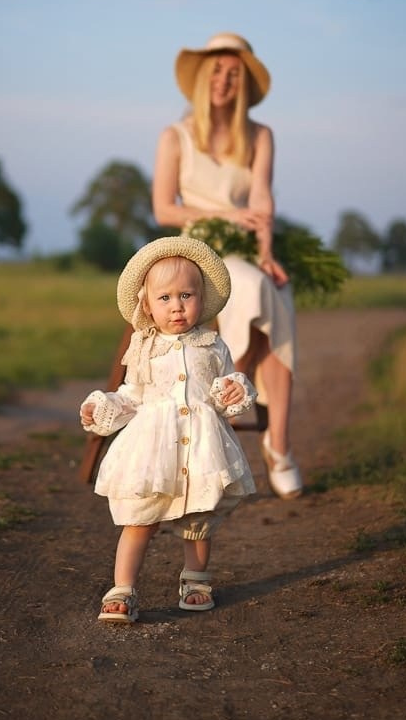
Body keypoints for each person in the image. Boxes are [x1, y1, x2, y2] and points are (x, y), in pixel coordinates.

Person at [152, 32, 303, 500]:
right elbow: (164, 210)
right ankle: (258, 432)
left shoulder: (260, 136)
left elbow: (261, 201)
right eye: (217, 70)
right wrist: (223, 216)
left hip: (243, 248)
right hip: (195, 246)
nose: (224, 80)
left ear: (243, 86)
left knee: (274, 288)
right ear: (202, 78)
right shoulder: (174, 136)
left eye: (233, 74)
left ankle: (274, 439)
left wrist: (266, 251)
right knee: (258, 288)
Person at [80, 235, 257, 623]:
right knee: (139, 518)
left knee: (198, 518)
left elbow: (227, 388)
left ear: (201, 297)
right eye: (165, 298)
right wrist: (103, 406)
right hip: (152, 449)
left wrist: (232, 389)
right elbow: (131, 396)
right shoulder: (143, 347)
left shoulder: (212, 345)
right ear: (147, 303)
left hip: (200, 448)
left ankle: (195, 579)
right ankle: (122, 589)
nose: (176, 307)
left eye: (186, 296)